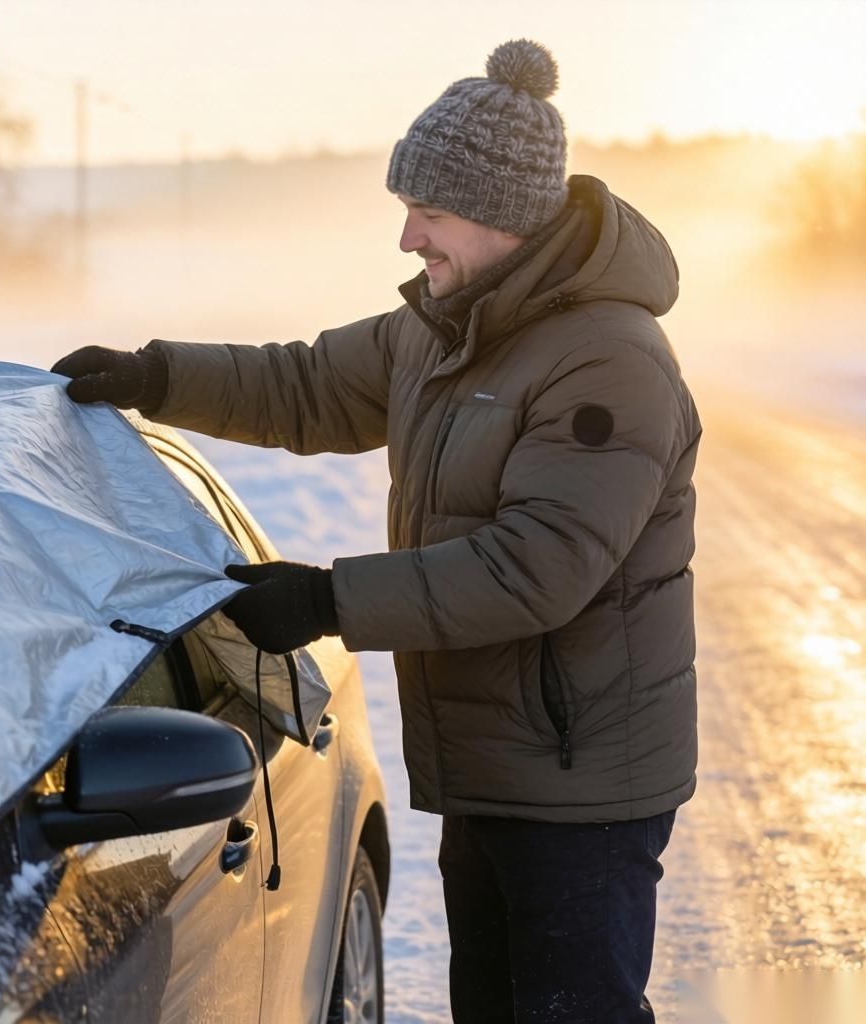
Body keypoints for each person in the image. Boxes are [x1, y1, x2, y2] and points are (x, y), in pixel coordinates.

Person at [52, 38, 701, 1024]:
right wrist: (156, 376)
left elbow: (537, 568)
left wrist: (323, 598)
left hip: (581, 785)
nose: (408, 239)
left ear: (501, 219)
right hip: (495, 760)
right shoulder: (448, 324)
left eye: (429, 215)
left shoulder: (606, 363)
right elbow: (308, 384)